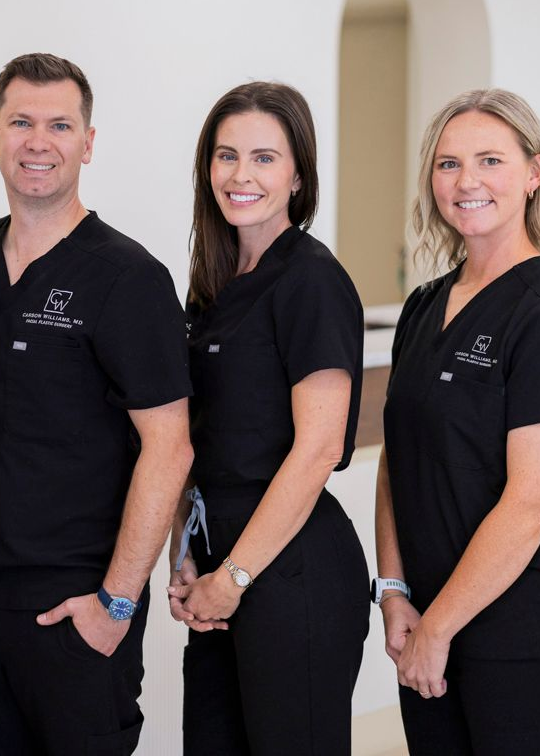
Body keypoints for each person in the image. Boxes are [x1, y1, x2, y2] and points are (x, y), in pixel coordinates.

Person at [0, 52, 194, 755]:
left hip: (74, 607)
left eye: (59, 124)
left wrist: (116, 603)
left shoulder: (128, 277)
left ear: (87, 142)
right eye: (21, 122)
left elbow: (169, 446)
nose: (37, 141)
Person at [375, 89, 540, 755]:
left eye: (488, 160)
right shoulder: (423, 306)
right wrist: (394, 594)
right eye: (448, 164)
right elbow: (398, 463)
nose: (466, 181)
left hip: (526, 636)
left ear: (533, 173)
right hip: (430, 624)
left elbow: (532, 503)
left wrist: (436, 630)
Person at [168, 82, 369, 755]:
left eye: (262, 157)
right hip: (221, 559)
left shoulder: (310, 281)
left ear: (296, 175)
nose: (240, 175)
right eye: (226, 156)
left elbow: (317, 450)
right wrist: (186, 554)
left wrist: (235, 576)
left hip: (291, 574)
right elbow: (198, 438)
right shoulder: (213, 285)